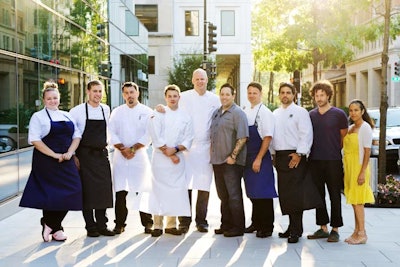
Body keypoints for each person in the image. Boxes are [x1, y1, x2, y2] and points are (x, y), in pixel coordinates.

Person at [156, 68, 220, 233]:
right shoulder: (183, 96)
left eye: (203, 79)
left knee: (204, 185)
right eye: (197, 79)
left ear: (207, 80)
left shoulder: (214, 99)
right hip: (187, 148)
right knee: (186, 185)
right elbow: (171, 106)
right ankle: (184, 221)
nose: (200, 81)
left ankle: (201, 220)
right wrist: (160, 108)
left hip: (206, 147)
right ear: (193, 80)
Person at [20, 81, 82, 242]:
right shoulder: (38, 116)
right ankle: (56, 229)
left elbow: (77, 135)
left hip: (66, 158)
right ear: (44, 100)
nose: (52, 101)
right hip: (46, 160)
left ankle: (49, 223)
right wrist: (54, 155)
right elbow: (34, 140)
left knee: (73, 191)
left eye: (55, 98)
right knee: (50, 194)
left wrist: (70, 152)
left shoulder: (67, 115)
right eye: (49, 99)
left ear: (59, 98)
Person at [145, 84, 194, 237]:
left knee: (175, 191)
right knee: (158, 190)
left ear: (179, 97)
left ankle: (171, 224)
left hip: (178, 160)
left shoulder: (186, 116)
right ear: (165, 98)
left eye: (175, 96)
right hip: (161, 158)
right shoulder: (159, 113)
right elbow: (155, 135)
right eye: (170, 96)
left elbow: (189, 137)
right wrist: (168, 152)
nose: (172, 99)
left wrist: (176, 150)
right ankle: (157, 225)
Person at [69, 80, 114, 237]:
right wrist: (73, 155)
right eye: (95, 91)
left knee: (103, 190)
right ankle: (90, 226)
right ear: (88, 92)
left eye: (100, 91)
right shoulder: (77, 111)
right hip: (85, 156)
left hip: (101, 154)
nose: (98, 95)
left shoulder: (106, 109)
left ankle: (102, 225)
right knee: (87, 192)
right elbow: (71, 135)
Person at [108, 81, 154, 234]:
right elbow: (111, 132)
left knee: (142, 189)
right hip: (120, 157)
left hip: (139, 156)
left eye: (132, 92)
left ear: (138, 93)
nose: (129, 96)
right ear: (123, 95)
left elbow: (148, 134)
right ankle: (119, 224)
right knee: (120, 191)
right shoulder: (117, 112)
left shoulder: (147, 111)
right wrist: (122, 148)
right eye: (126, 93)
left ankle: (148, 222)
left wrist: (133, 149)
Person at [271, 82, 314, 244]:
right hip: (280, 157)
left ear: (294, 95)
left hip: (295, 156)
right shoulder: (275, 113)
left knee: (296, 194)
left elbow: (306, 134)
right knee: (286, 194)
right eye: (282, 92)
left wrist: (299, 154)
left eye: (288, 92)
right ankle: (291, 226)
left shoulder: (300, 112)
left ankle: (297, 229)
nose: (285, 95)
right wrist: (273, 154)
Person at [307, 80, 348, 242]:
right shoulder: (311, 115)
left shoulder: (339, 114)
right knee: (318, 195)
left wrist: (333, 150)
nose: (319, 98)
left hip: (333, 160)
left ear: (328, 95)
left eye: (322, 95)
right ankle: (322, 227)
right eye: (316, 95)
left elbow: (343, 136)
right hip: (315, 160)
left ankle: (335, 229)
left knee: (334, 195)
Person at [210, 83, 248, 237]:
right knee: (223, 196)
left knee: (233, 195)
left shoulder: (237, 113)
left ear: (233, 95)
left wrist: (233, 156)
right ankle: (226, 224)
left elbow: (243, 137)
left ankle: (238, 227)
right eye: (222, 94)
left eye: (228, 94)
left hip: (231, 162)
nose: (224, 97)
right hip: (217, 161)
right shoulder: (217, 112)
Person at [243, 82, 278, 238]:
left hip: (260, 157)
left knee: (264, 193)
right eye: (249, 92)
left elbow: (268, 137)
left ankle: (267, 226)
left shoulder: (264, 113)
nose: (251, 95)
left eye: (254, 93)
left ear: (260, 94)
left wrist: (258, 159)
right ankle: (256, 223)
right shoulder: (246, 110)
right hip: (248, 157)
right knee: (253, 193)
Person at [343, 99, 375, 245]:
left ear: (362, 111)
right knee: (354, 200)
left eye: (356, 110)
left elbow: (367, 151)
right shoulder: (351, 128)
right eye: (351, 110)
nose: (353, 113)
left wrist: (362, 172)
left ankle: (362, 233)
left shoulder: (365, 128)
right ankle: (356, 231)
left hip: (359, 166)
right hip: (349, 166)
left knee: (358, 201)